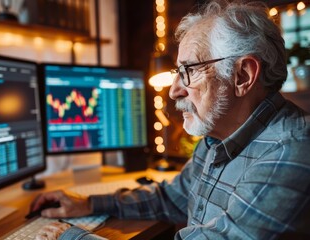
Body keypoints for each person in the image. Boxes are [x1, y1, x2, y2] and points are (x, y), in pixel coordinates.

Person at [32, 0, 310, 239]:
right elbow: (172, 198)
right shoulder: (218, 138)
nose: (174, 90)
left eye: (188, 71)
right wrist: (91, 204)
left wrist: (70, 236)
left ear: (243, 76)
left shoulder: (290, 153)